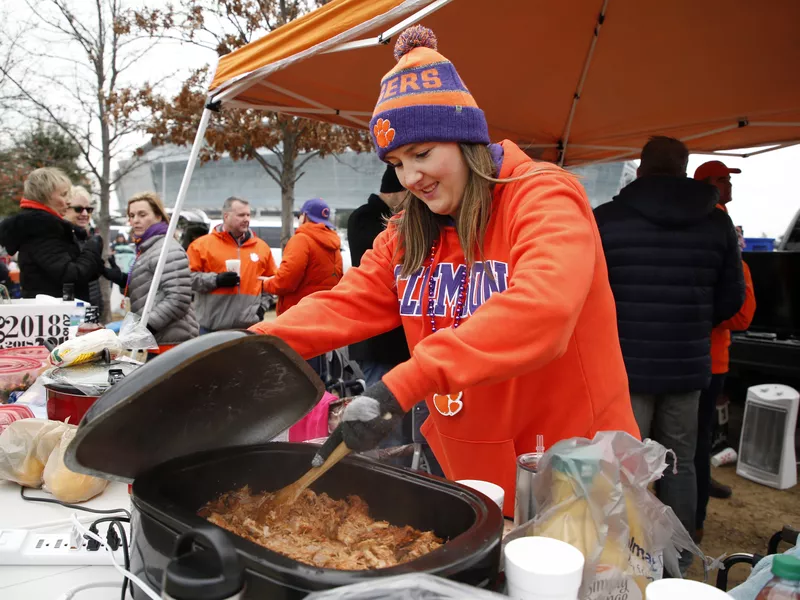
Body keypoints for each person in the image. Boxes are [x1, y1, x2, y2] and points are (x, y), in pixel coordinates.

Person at [250, 25, 640, 518]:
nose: (411, 177)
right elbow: (342, 303)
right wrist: (248, 348)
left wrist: (405, 383)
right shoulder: (409, 231)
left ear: (466, 139)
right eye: (396, 162)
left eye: (422, 153)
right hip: (469, 472)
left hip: (572, 468)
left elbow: (546, 309)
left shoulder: (543, 195)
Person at [594, 137, 745, 571]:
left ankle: (627, 551)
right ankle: (677, 554)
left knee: (626, 461)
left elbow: (589, 291)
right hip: (687, 363)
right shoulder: (716, 224)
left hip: (626, 364)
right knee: (680, 461)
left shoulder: (607, 218)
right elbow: (732, 297)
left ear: (640, 169)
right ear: (684, 170)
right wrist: (692, 322)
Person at [692, 161, 756, 543]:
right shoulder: (716, 226)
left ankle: (693, 502)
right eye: (723, 179)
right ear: (707, 185)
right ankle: (692, 517)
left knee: (693, 438)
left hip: (704, 351)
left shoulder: (717, 222)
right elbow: (740, 310)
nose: (729, 185)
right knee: (693, 440)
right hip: (706, 354)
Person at [347, 165, 410, 385]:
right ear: (395, 191)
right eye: (407, 194)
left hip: (388, 337)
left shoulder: (373, 217)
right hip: (375, 339)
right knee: (377, 407)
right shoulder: (365, 217)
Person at [0, 167, 103, 300]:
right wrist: (91, 248)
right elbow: (70, 276)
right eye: (64, 194)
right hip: (54, 315)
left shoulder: (43, 227)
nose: (68, 201)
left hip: (54, 312)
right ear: (46, 196)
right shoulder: (41, 228)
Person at [187, 197, 277, 332]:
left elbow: (272, 283)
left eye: (248, 214)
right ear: (226, 216)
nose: (246, 219)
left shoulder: (262, 248)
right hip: (209, 328)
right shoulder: (201, 246)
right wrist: (216, 280)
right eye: (241, 215)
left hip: (248, 329)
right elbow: (188, 279)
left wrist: (261, 309)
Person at [123, 192, 199, 350]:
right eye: (132, 215)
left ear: (158, 216)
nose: (135, 220)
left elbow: (179, 298)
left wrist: (147, 326)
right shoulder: (148, 247)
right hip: (157, 340)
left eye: (142, 214)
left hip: (171, 342)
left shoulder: (167, 249)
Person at [65, 186, 103, 310]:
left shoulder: (89, 237)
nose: (85, 214)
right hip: (72, 311)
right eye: (78, 209)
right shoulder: (61, 238)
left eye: (88, 209)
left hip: (92, 307)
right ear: (65, 209)